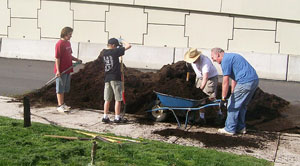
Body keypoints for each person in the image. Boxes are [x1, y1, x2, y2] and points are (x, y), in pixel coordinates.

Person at [211, 47, 259, 135]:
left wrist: (223, 98)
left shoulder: (225, 61)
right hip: (254, 80)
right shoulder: (232, 57)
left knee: (232, 105)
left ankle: (229, 129)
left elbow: (225, 81)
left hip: (245, 82)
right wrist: (233, 92)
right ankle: (241, 128)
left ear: (218, 54)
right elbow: (234, 78)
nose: (213, 60)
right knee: (242, 105)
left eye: (213, 57)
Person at [184, 48, 219, 124]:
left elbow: (205, 77)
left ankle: (219, 115)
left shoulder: (205, 62)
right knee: (200, 99)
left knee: (211, 98)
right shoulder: (192, 61)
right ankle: (202, 118)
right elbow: (190, 69)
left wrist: (200, 90)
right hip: (199, 78)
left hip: (210, 78)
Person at [101, 38, 131, 123]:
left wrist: (118, 48)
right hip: (115, 78)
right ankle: (117, 118)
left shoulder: (104, 52)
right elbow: (129, 46)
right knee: (118, 99)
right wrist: (123, 41)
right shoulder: (115, 52)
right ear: (113, 45)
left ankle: (105, 117)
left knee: (107, 99)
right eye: (116, 46)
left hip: (107, 78)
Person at [54, 27, 82, 113]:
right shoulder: (59, 44)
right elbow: (57, 58)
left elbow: (69, 55)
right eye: (70, 34)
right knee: (60, 88)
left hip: (68, 69)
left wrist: (76, 59)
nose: (71, 36)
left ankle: (62, 104)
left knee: (65, 87)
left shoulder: (68, 43)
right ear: (65, 34)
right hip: (61, 70)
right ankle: (59, 105)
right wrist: (58, 71)